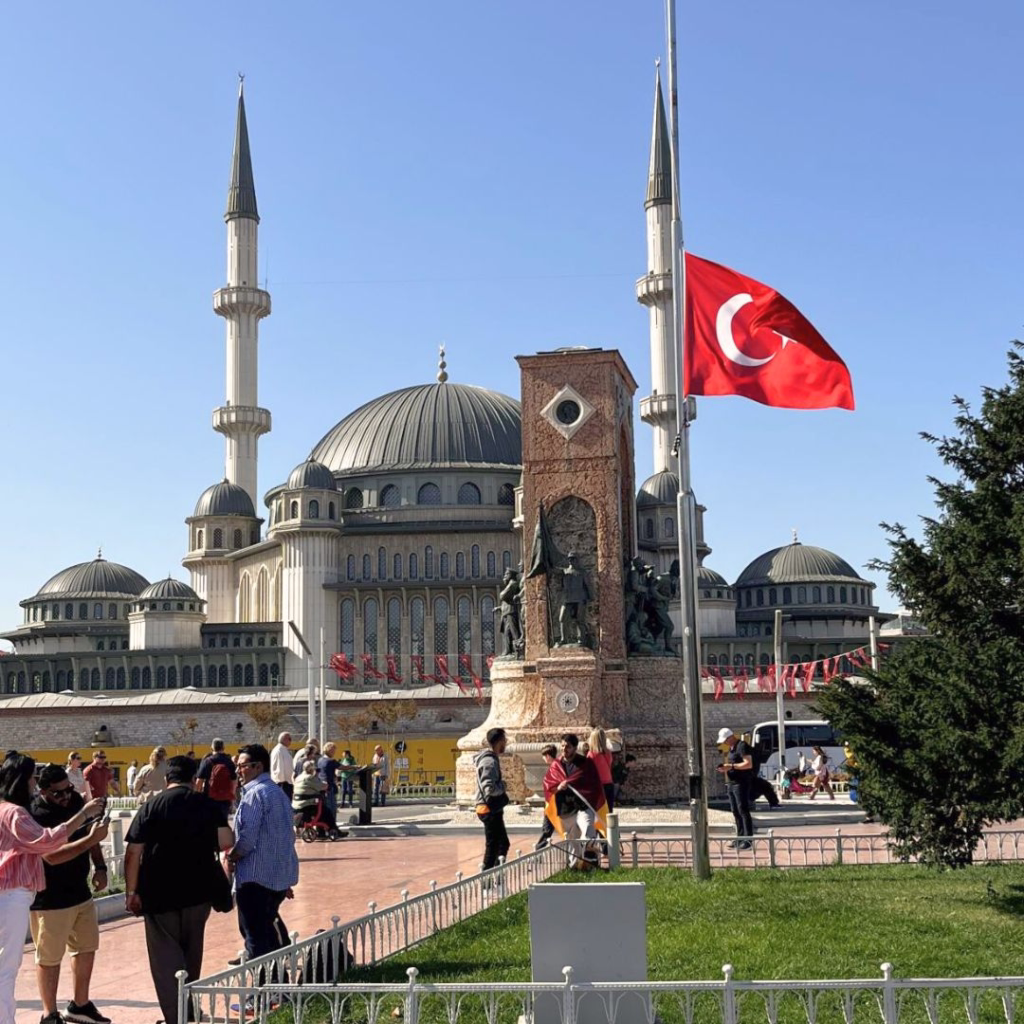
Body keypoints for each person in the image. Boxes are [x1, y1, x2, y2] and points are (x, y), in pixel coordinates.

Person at [124, 755, 234, 1024]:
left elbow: (132, 852)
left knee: (165, 960)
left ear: (166, 779)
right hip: (198, 893)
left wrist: (131, 892)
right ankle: (189, 1010)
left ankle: (177, 1018)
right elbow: (226, 841)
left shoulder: (152, 805)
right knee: (191, 953)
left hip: (159, 894)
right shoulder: (205, 804)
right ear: (195, 779)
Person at [0, 752, 104, 1024]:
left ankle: (76, 1007)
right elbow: (48, 846)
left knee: (7, 967)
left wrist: (99, 861)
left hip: (39, 893)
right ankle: (33, 1016)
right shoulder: (17, 812)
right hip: (21, 896)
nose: (33, 783)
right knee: (8, 968)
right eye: (32, 777)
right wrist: (84, 817)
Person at [29, 765, 111, 1024]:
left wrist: (100, 866)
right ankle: (49, 1014)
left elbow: (91, 833)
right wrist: (90, 839)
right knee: (49, 958)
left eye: (68, 789)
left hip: (80, 892)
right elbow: (52, 855)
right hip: (49, 898)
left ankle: (80, 1004)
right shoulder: (36, 813)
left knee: (86, 948)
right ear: (43, 791)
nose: (66, 797)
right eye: (58, 793)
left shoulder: (76, 800)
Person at [228, 744, 300, 966]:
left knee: (256, 936)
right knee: (267, 930)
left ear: (257, 766)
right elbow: (287, 835)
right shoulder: (278, 793)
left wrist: (232, 856)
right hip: (276, 876)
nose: (238, 771)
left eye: (242, 766)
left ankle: (264, 991)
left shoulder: (255, 795)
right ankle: (280, 985)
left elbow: (247, 840)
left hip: (254, 878)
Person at [544, 733, 605, 867]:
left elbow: (594, 784)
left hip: (583, 805)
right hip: (566, 808)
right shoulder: (556, 765)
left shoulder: (586, 764)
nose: (564, 749)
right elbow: (549, 784)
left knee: (588, 830)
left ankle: (591, 859)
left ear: (575, 747)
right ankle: (575, 868)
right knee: (573, 842)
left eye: (568, 747)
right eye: (563, 746)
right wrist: (559, 787)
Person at [473, 728, 510, 872]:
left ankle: (495, 874)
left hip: (489, 807)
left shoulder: (490, 759)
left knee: (501, 843)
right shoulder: (489, 761)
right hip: (488, 808)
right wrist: (503, 786)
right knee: (495, 844)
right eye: (504, 740)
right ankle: (488, 877)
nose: (505, 743)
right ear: (499, 741)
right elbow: (489, 788)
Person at [716, 728, 754, 849]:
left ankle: (748, 839)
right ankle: (740, 837)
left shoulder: (742, 746)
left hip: (741, 783)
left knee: (743, 809)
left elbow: (748, 764)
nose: (724, 743)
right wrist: (726, 768)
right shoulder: (732, 748)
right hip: (732, 783)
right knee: (735, 811)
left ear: (730, 737)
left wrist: (730, 766)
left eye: (725, 740)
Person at [197, 738, 238, 823]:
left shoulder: (207, 761)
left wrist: (198, 797)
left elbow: (199, 782)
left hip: (209, 798)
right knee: (223, 822)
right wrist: (231, 797)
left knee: (210, 823)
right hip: (225, 799)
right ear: (223, 748)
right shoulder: (229, 762)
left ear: (212, 748)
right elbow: (234, 782)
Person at [533, 745, 558, 850]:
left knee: (547, 829)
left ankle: (538, 851)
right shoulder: (556, 766)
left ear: (547, 756)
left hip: (553, 804)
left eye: (544, 756)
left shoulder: (554, 767)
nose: (543, 759)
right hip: (552, 803)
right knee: (547, 829)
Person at [587, 727, 615, 813]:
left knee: (597, 810)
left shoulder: (591, 755)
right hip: (609, 783)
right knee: (608, 810)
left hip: (597, 785)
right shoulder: (608, 753)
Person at [317, 742, 340, 820]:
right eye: (333, 750)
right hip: (329, 787)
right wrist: (354, 767)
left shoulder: (320, 760)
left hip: (321, 787)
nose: (334, 752)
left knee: (325, 807)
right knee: (332, 808)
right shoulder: (330, 761)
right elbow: (342, 767)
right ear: (329, 750)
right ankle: (332, 826)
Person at [270, 732, 294, 799]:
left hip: (286, 783)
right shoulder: (279, 750)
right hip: (282, 784)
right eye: (289, 739)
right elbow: (279, 767)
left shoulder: (283, 749)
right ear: (284, 739)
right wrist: (282, 782)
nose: (291, 741)